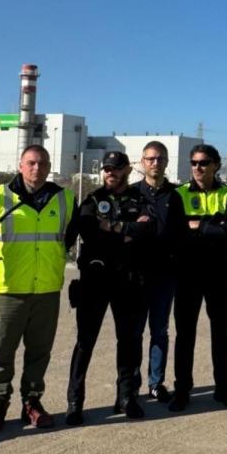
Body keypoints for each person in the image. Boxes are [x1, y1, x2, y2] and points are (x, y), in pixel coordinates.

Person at [0, 145, 78, 434]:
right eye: (31, 163)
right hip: (7, 290)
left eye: (43, 163)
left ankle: (32, 402)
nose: (37, 168)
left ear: (49, 167)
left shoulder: (64, 199)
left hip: (46, 289)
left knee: (39, 352)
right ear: (20, 165)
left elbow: (67, 240)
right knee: (1, 352)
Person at [65, 151, 155, 425]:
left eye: (115, 169)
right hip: (95, 279)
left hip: (128, 280)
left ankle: (127, 397)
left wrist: (112, 227)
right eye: (106, 169)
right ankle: (74, 402)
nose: (110, 173)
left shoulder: (140, 199)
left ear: (127, 170)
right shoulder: (92, 200)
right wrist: (125, 230)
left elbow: (146, 231)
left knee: (129, 341)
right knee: (85, 342)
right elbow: (88, 229)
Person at [169, 144, 227, 411]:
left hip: (218, 273)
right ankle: (182, 391)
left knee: (220, 333)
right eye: (194, 163)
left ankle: (223, 388)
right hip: (187, 273)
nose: (198, 168)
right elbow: (175, 233)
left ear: (216, 165)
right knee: (184, 334)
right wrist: (213, 225)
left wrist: (198, 226)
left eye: (204, 162)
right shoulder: (179, 195)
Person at [131, 141, 185, 403]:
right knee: (134, 332)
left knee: (160, 332)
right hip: (138, 276)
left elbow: (182, 233)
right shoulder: (131, 195)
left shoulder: (175, 196)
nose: (155, 163)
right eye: (150, 158)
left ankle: (156, 382)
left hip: (165, 276)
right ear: (142, 162)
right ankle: (131, 383)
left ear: (166, 162)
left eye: (160, 159)